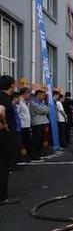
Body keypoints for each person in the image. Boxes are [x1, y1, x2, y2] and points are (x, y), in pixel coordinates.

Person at [0, 75, 20, 205]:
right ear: (11, 85)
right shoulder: (5, 98)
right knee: (3, 166)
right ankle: (3, 196)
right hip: (5, 138)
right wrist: (5, 124)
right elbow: (1, 112)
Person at [29, 90, 49, 161]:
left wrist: (44, 110)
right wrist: (44, 110)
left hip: (43, 122)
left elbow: (47, 110)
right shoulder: (33, 102)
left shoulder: (42, 102)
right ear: (38, 95)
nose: (44, 97)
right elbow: (42, 110)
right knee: (36, 140)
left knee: (41, 140)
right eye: (42, 95)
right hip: (37, 123)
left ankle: (38, 154)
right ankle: (34, 156)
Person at [15, 88, 31, 162]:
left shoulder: (25, 102)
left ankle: (25, 156)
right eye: (28, 93)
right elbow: (16, 113)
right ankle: (21, 157)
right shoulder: (19, 102)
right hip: (22, 126)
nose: (29, 95)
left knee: (26, 141)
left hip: (26, 125)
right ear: (24, 93)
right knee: (22, 142)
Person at [9, 92, 22, 171]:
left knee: (16, 147)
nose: (20, 100)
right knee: (13, 148)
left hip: (17, 129)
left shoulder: (14, 107)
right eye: (19, 98)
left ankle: (14, 164)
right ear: (15, 98)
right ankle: (12, 165)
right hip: (13, 130)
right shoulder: (11, 107)